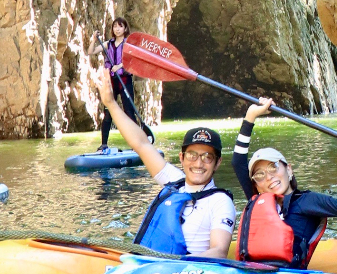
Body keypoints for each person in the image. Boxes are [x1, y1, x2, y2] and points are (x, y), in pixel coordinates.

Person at [95, 66, 235, 257]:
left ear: (217, 163)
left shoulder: (220, 201)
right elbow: (141, 143)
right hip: (150, 268)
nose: (199, 163)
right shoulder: (175, 183)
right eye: (192, 155)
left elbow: (219, 252)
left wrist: (170, 265)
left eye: (207, 157)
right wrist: (111, 103)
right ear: (182, 158)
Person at [232, 97, 337, 268]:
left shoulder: (307, 201)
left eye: (274, 167)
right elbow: (238, 162)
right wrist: (251, 115)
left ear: (288, 170)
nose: (268, 177)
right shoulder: (258, 200)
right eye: (260, 174)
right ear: (256, 186)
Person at [100, 17, 153, 151]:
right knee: (108, 113)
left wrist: (120, 65)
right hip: (112, 80)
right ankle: (103, 144)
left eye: (120, 26)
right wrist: (95, 39)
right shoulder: (108, 43)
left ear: (125, 28)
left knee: (129, 111)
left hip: (124, 79)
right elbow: (90, 51)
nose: (117, 29)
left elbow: (134, 58)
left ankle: (138, 144)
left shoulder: (128, 43)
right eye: (115, 27)